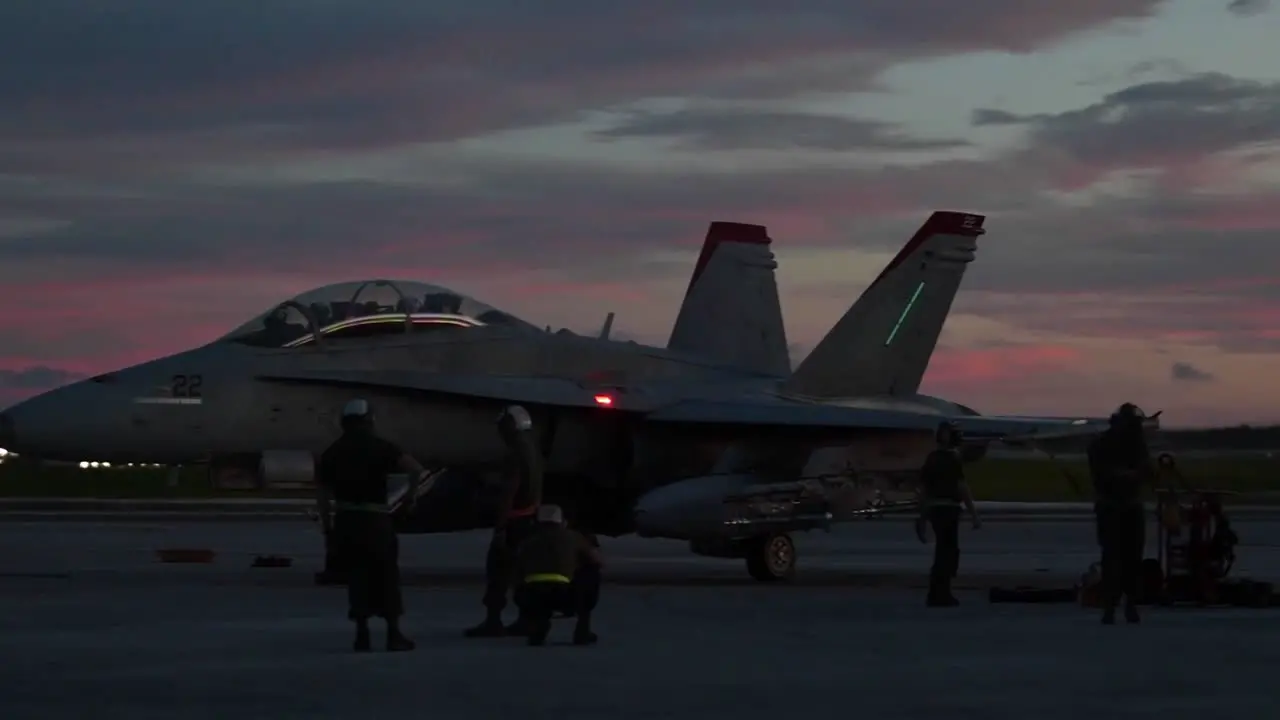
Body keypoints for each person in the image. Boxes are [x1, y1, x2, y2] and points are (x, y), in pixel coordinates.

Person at [316, 398, 432, 652]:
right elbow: (416, 469)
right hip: (376, 521)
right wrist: (409, 498)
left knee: (357, 579)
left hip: (346, 522)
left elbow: (323, 497)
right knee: (386, 577)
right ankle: (393, 634)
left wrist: (328, 529)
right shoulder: (382, 447)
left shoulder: (331, 453)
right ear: (370, 421)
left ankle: (362, 635)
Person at [464, 405, 546, 637]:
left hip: (513, 522)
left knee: (498, 572)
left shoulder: (515, 454)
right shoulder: (533, 451)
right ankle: (525, 619)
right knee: (522, 573)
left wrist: (500, 526)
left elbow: (509, 491)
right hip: (529, 519)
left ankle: (493, 621)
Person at [1088, 402, 1154, 625]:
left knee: (1127, 558)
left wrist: (1133, 475)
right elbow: (1105, 474)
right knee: (1116, 558)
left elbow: (1146, 472)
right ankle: (1115, 606)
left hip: (1127, 506)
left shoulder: (1134, 443)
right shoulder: (1103, 444)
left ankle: (1125, 606)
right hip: (1113, 507)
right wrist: (1129, 475)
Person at [514, 503, 603, 646]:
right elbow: (597, 561)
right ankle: (582, 629)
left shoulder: (526, 542)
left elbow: (518, 570)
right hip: (564, 596)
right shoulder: (573, 537)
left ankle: (537, 623)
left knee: (525, 581)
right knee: (591, 571)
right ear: (562, 521)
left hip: (530, 597)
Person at [916, 420, 980, 607]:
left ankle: (937, 592)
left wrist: (922, 517)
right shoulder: (953, 458)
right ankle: (941, 594)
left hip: (936, 510)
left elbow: (924, 490)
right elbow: (962, 487)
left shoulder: (932, 458)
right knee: (948, 552)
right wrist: (974, 514)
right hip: (948, 510)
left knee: (943, 551)